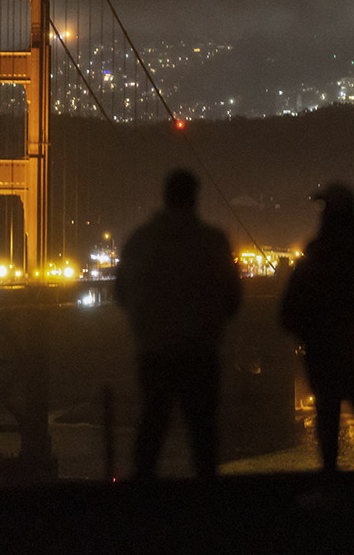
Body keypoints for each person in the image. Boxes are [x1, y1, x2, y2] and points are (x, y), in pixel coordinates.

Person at [115, 168, 242, 479]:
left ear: (164, 196)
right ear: (195, 197)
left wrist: (145, 323)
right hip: (200, 351)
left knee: (151, 427)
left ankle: (143, 507)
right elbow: (232, 298)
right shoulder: (213, 242)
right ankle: (206, 509)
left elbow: (120, 293)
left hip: (154, 351)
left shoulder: (140, 240)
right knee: (203, 434)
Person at [281, 183, 354, 475]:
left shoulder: (317, 252)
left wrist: (301, 332)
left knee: (327, 414)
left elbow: (293, 303)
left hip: (324, 352)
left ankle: (330, 475)